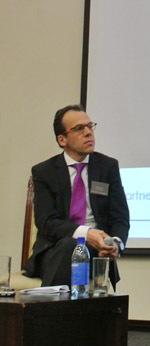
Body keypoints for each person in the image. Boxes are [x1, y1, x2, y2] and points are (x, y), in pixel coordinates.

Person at [24, 104, 130, 288]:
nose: (88, 132)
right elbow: (46, 222)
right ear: (62, 139)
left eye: (90, 126)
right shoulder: (44, 172)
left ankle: (48, 304)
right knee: (70, 247)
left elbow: (120, 217)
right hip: (54, 250)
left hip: (96, 252)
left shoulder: (107, 167)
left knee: (79, 250)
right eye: (79, 128)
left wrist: (115, 243)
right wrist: (86, 234)